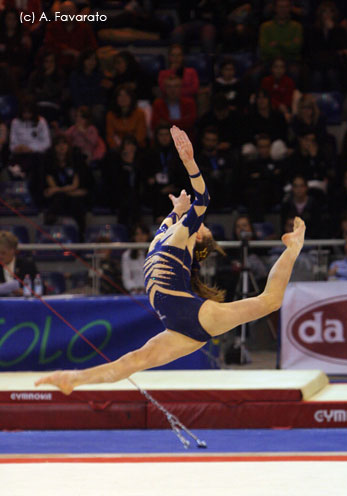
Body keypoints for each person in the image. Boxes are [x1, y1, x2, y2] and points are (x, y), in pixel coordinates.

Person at [35, 125, 306, 395]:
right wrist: (176, 208)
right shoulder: (164, 236)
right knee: (132, 361)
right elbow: (171, 219)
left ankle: (292, 249)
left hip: (198, 315)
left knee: (270, 301)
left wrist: (189, 162)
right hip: (179, 329)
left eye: (204, 226)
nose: (202, 224)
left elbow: (203, 197)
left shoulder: (180, 238)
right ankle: (73, 378)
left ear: (197, 236)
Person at [106, 84, 147, 150]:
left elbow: (141, 135)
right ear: (116, 98)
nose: (123, 98)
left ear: (131, 97)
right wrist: (119, 148)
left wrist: (129, 147)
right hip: (117, 149)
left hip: (137, 148)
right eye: (120, 95)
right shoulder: (110, 115)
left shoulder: (140, 113)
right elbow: (110, 136)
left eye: (126, 95)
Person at [0, 230, 38, 295]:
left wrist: (24, 292)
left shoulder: (27, 265)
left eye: (3, 253)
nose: (0, 256)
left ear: (12, 250)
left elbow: (39, 288)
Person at [121, 223, 151, 294]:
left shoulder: (154, 253)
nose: (140, 237)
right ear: (133, 237)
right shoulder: (126, 255)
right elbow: (126, 277)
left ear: (147, 235)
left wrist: (148, 288)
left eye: (143, 233)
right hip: (134, 292)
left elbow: (155, 276)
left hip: (151, 291)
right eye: (137, 234)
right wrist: (133, 288)